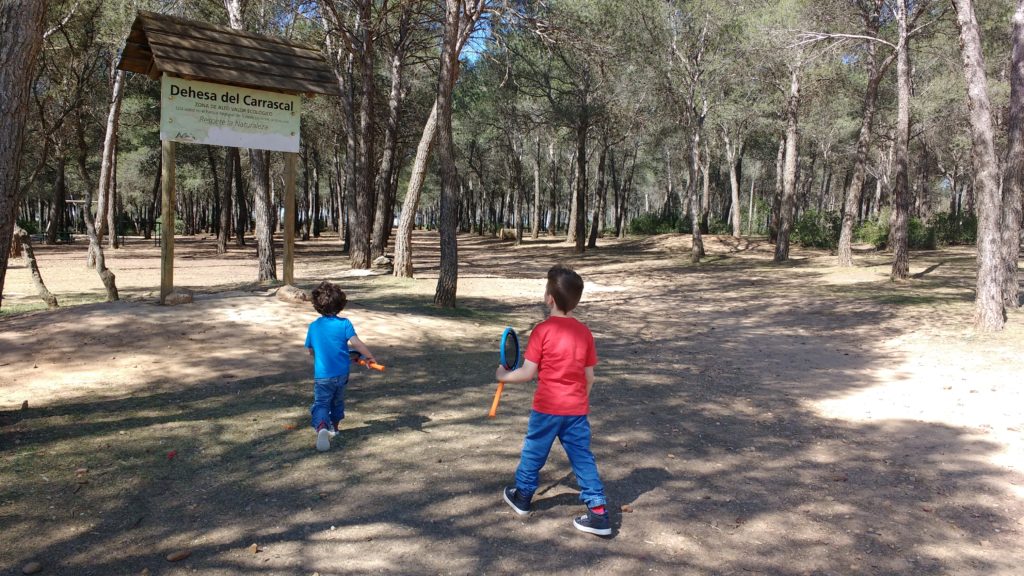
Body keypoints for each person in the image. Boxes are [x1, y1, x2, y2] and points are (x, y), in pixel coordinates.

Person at [495, 265, 611, 536]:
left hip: (547, 408)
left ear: (549, 298)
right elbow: (589, 377)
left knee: (534, 452)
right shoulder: (584, 333)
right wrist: (579, 402)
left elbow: (526, 373)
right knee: (582, 458)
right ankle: (598, 513)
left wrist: (502, 376)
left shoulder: (542, 331)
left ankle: (522, 497)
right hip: (576, 410)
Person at [305, 281, 376, 452]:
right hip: (342, 374)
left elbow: (311, 351)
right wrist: (369, 356)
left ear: (317, 305)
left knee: (321, 403)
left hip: (322, 375)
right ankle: (334, 428)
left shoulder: (314, 327)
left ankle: (322, 426)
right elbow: (356, 343)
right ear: (340, 304)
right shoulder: (345, 324)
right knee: (337, 401)